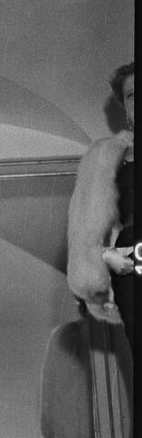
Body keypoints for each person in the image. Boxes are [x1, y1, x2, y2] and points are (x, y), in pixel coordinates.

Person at [67, 62, 134, 355]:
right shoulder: (106, 157)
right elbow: (86, 236)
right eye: (132, 95)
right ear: (126, 108)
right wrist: (105, 257)